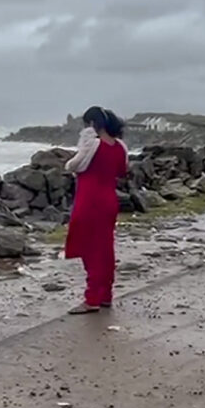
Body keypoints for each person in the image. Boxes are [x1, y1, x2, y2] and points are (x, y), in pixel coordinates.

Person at [64, 106, 128, 314]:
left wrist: (85, 139)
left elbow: (73, 166)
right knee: (105, 248)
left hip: (89, 201)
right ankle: (105, 295)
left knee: (89, 249)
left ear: (92, 124)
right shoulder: (120, 147)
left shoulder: (93, 144)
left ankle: (92, 298)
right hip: (109, 201)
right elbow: (121, 171)